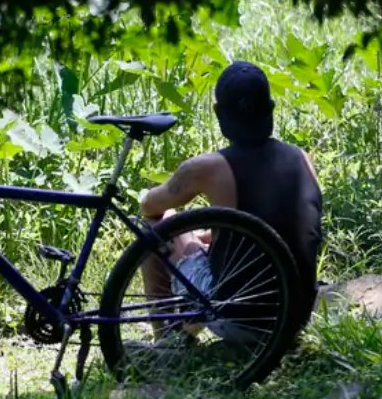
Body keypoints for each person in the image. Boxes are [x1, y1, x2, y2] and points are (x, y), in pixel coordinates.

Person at [136, 60, 324, 347]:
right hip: (294, 317)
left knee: (156, 225)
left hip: (240, 320)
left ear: (219, 114)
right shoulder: (301, 158)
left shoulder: (208, 167)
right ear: (270, 110)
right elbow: (277, 224)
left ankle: (167, 341)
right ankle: (183, 333)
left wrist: (150, 200)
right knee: (202, 237)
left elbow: (151, 207)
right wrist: (213, 235)